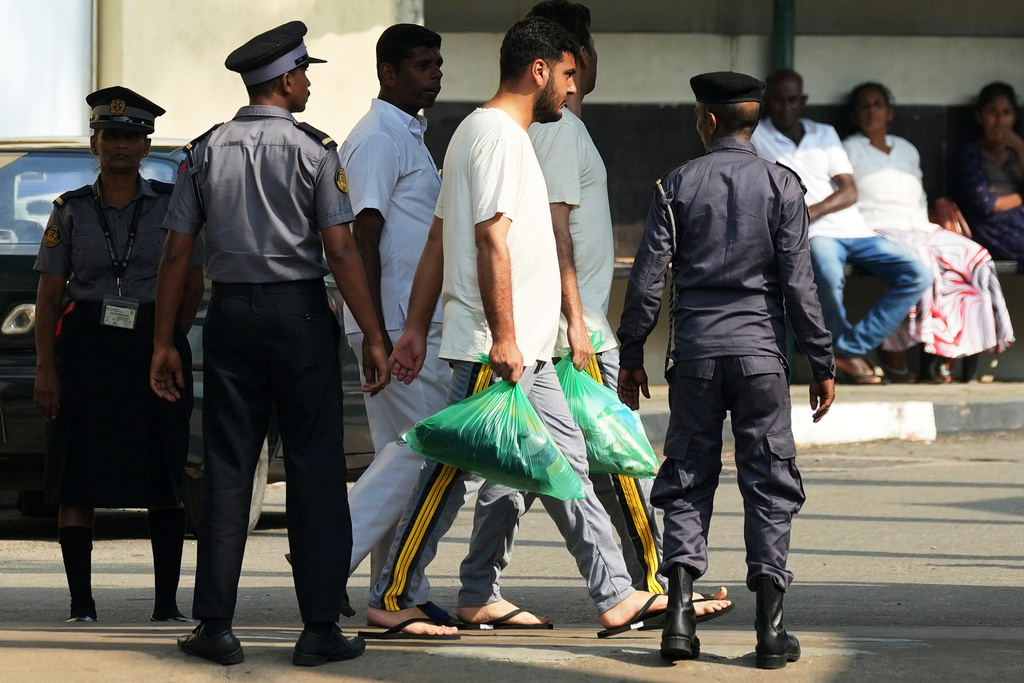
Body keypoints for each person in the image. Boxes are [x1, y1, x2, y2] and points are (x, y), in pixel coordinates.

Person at [371, 16, 667, 639]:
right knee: (447, 473)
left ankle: (617, 595)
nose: (572, 85)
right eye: (566, 73)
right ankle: (393, 595)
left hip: (526, 346)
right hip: (497, 347)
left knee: (568, 462)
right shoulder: (500, 138)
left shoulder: (479, 133)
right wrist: (502, 336)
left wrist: (417, 327)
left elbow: (437, 240)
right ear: (538, 71)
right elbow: (489, 240)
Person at [149, 21, 390, 667]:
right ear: (284, 80)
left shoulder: (203, 151)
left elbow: (175, 253)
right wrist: (372, 334)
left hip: (229, 317)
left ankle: (215, 626)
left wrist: (164, 341)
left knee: (229, 469)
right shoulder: (316, 151)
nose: (308, 82)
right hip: (301, 318)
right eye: (304, 72)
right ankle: (318, 629)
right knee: (315, 470)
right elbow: (341, 251)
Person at [618, 71, 835, 669]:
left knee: (687, 476)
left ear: (709, 120)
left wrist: (631, 353)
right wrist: (821, 360)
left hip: (694, 358)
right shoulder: (783, 185)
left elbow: (647, 280)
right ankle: (770, 630)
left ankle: (679, 619)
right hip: (762, 357)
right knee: (769, 482)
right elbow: (799, 285)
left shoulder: (677, 183)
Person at [34, 86, 204, 625]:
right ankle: (81, 605)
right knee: (76, 472)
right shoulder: (70, 210)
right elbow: (48, 295)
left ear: (147, 145)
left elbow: (192, 283)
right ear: (95, 144)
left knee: (163, 467)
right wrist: (46, 367)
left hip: (154, 345)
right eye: (110, 136)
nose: (120, 146)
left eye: (131, 137)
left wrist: (168, 339)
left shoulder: (171, 206)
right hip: (86, 349)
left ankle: (166, 605)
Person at [338, 23, 455, 625]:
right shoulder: (378, 137)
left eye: (437, 64)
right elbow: (363, 234)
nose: (436, 74)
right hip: (392, 326)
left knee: (399, 454)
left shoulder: (408, 132)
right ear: (388, 73)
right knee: (427, 448)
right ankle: (327, 556)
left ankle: (398, 590)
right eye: (422, 65)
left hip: (406, 324)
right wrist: (377, 334)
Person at [750, 69, 932, 384]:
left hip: (855, 229)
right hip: (814, 235)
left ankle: (846, 348)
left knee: (918, 274)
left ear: (803, 100)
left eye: (792, 100)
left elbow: (850, 191)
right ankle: (845, 352)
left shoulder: (823, 133)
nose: (786, 107)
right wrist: (803, 220)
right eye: (778, 101)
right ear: (767, 102)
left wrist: (808, 211)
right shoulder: (757, 136)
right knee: (828, 276)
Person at [844, 82, 1014, 382]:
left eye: (878, 104)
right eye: (864, 106)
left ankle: (951, 349)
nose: (872, 111)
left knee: (975, 256)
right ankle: (892, 346)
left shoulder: (906, 149)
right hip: (876, 227)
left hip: (920, 225)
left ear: (890, 113)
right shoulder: (848, 148)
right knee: (920, 261)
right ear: (855, 116)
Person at [956, 81, 1024, 266]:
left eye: (1006, 113)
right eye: (992, 112)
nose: (1000, 120)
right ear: (980, 116)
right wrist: (1022, 197)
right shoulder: (970, 153)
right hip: (992, 227)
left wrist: (1019, 147)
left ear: (1015, 117)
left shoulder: (1018, 153)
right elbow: (985, 204)